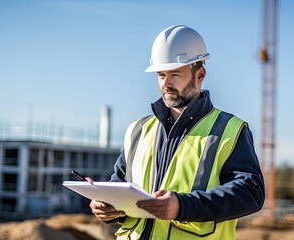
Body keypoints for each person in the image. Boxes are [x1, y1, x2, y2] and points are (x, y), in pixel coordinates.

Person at [89, 25, 265, 240]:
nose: (166, 83)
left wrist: (183, 206)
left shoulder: (230, 130)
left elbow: (250, 193)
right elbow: (119, 183)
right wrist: (106, 206)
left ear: (200, 74)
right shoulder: (138, 130)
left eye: (175, 74)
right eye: (161, 74)